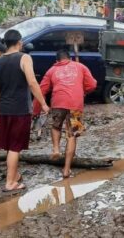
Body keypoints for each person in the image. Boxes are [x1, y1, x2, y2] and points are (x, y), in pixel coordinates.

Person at [0, 29, 49, 192]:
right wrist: (43, 103)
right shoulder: (24, 58)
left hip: (5, 109)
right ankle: (10, 183)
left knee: (10, 145)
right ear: (19, 42)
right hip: (20, 109)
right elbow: (32, 82)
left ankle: (14, 175)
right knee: (15, 147)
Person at [33, 46, 97, 178]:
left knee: (56, 126)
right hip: (75, 104)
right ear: (70, 58)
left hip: (58, 102)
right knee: (71, 135)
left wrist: (36, 110)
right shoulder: (80, 67)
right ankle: (66, 170)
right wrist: (83, 91)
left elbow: (41, 90)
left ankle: (56, 149)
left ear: (56, 61)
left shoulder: (51, 70)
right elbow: (92, 84)